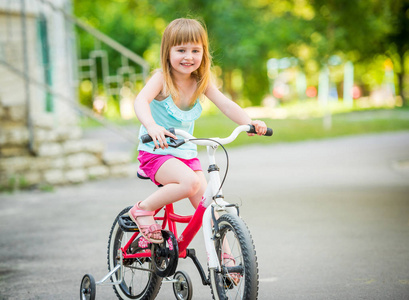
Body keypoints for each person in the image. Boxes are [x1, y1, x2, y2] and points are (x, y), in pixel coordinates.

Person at [130, 18, 267, 244]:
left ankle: (226, 259)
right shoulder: (162, 79)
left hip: (185, 155)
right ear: (167, 52)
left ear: (204, 53)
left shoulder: (200, 81)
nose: (188, 56)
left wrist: (249, 122)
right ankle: (142, 210)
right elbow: (140, 101)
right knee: (190, 183)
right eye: (181, 49)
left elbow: (225, 104)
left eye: (195, 50)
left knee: (210, 209)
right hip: (157, 152)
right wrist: (152, 126)